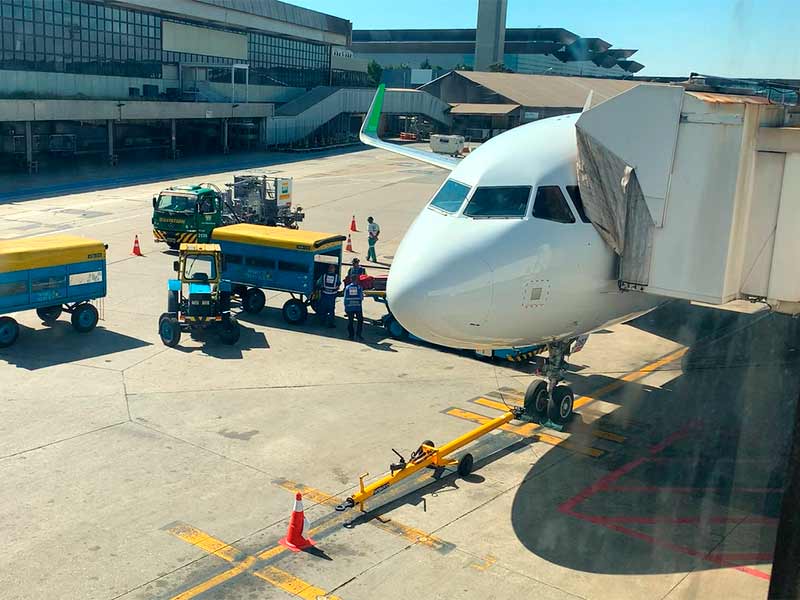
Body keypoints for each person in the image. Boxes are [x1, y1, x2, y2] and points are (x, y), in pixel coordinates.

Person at [316, 263, 340, 328]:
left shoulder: (323, 276)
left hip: (324, 295)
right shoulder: (337, 277)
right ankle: (330, 323)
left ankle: (322, 321)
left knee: (323, 309)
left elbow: (318, 283)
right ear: (334, 269)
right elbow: (338, 285)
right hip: (332, 296)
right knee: (331, 310)